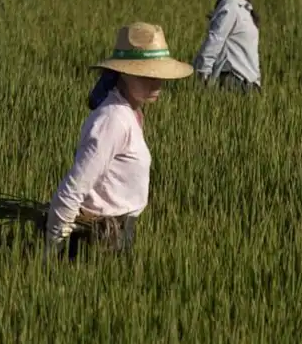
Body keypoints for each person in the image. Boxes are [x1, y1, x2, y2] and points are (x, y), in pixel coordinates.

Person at [44, 22, 193, 262]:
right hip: (99, 240)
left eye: (159, 75)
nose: (157, 83)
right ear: (124, 73)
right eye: (146, 75)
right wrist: (53, 250)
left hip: (117, 233)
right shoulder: (113, 120)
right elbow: (72, 189)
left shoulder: (130, 112)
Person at [193, 0, 277, 93]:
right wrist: (203, 75)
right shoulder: (230, 6)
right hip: (234, 83)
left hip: (248, 83)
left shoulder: (243, 7)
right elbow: (214, 39)